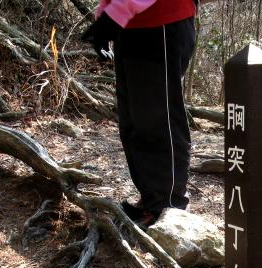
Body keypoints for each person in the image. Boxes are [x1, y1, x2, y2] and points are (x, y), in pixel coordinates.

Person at [83, 0, 198, 229]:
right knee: (134, 122)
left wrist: (115, 13)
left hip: (163, 21)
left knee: (160, 121)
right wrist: (106, 14)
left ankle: (168, 208)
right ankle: (151, 200)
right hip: (131, 25)